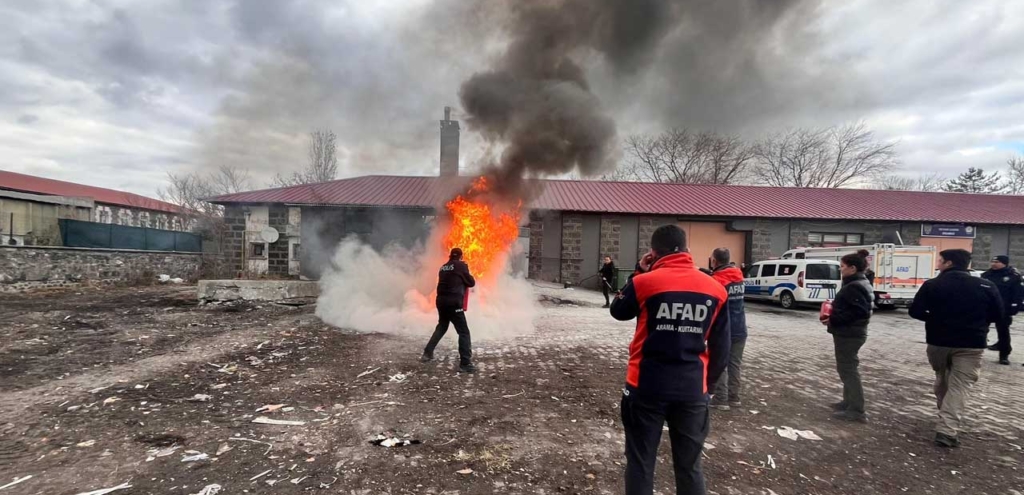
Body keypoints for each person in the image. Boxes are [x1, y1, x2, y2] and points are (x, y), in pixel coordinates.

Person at [610, 225, 730, 495]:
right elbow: (722, 349)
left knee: (641, 463)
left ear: (653, 253)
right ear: (687, 249)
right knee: (689, 467)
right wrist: (707, 387)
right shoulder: (716, 289)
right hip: (692, 391)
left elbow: (618, 311)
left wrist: (640, 271)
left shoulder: (644, 283)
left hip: (645, 387)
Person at [909, 249, 1004, 448]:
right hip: (972, 343)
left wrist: (935, 319)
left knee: (943, 378)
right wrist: (978, 321)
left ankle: (945, 423)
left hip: (938, 342)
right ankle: (947, 428)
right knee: (959, 386)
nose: (938, 264)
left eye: (940, 261)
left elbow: (915, 311)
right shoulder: (986, 285)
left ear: (949, 263)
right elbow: (998, 315)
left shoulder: (933, 284)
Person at [820, 250, 873, 423]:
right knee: (846, 367)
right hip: (849, 332)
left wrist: (833, 318)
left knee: (848, 369)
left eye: (842, 267)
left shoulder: (855, 286)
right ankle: (848, 401)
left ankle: (857, 409)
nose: (840, 270)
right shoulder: (857, 283)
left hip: (850, 333)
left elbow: (859, 312)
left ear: (852, 268)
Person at [421, 248, 477, 373]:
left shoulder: (443, 267)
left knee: (442, 326)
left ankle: (427, 353)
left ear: (450, 256)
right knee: (464, 332)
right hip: (453, 303)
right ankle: (465, 363)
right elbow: (471, 282)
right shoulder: (461, 265)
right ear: (461, 256)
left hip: (441, 302)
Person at [708, 248, 747, 411]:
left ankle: (720, 399)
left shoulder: (717, 280)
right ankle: (734, 397)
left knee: (720, 362)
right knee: (734, 364)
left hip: (723, 329)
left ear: (715, 261)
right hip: (740, 328)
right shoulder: (739, 276)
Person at [982, 255, 1023, 365]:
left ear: (1004, 263)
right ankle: (977, 350)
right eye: (992, 261)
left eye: (997, 262)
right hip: (988, 308)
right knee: (981, 330)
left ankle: (1004, 355)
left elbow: (1018, 294)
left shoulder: (1013, 276)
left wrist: (1015, 307)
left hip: (1004, 309)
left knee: (1003, 332)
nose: (993, 264)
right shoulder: (986, 275)